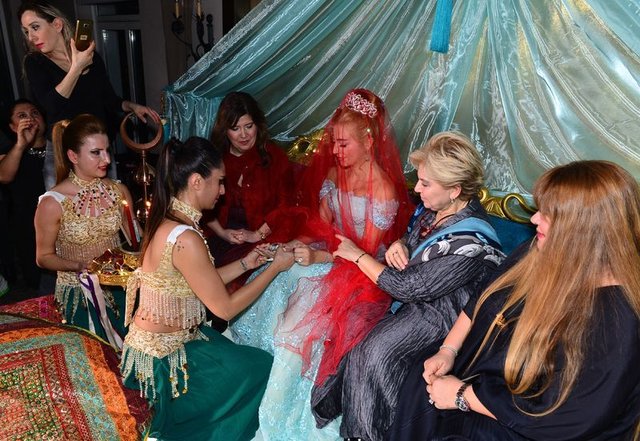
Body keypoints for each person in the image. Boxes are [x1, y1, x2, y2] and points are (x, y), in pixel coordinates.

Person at [388, 160, 640, 441]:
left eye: (548, 214)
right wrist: (448, 350)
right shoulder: (537, 249)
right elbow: (481, 299)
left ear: (585, 229)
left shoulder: (617, 321)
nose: (534, 220)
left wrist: (462, 396)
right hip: (484, 382)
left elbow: (564, 418)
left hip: (523, 424)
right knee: (418, 377)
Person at [230, 88, 413, 439]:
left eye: (344, 144)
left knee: (298, 324)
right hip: (330, 258)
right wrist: (294, 245)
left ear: (369, 142)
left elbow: (364, 254)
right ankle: (247, 379)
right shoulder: (332, 175)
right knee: (279, 273)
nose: (335, 151)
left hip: (361, 273)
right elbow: (323, 230)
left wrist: (318, 256)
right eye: (334, 143)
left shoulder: (383, 190)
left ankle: (283, 415)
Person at [311, 131, 506, 441]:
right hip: (414, 299)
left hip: (442, 316)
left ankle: (369, 433)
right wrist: (399, 244)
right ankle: (346, 411)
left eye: (425, 184)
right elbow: (413, 239)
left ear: (455, 190)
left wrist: (358, 255)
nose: (416, 189)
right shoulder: (435, 208)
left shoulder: (471, 242)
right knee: (352, 319)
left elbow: (408, 288)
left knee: (372, 352)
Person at [120, 136, 294, 440]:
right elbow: (224, 308)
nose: (223, 191)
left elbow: (200, 280)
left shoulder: (169, 219)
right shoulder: (185, 238)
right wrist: (275, 268)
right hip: (163, 363)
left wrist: (247, 263)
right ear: (197, 181)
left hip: (163, 346)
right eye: (220, 181)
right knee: (261, 367)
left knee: (237, 354)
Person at [18, 1, 159, 169]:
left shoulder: (91, 57)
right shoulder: (35, 63)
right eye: (26, 31)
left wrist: (132, 106)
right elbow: (51, 105)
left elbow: (109, 100)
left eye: (35, 27)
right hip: (64, 152)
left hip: (98, 148)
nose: (31, 37)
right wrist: (77, 68)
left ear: (57, 24)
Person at [34, 114, 132, 343]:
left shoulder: (119, 191)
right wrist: (78, 266)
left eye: (107, 150)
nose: (106, 159)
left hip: (120, 290)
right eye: (96, 152)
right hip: (79, 295)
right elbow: (43, 257)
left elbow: (136, 242)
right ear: (73, 156)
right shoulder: (52, 203)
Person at [203, 91, 294, 268]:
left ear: (258, 125)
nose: (243, 135)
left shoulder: (275, 157)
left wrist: (257, 235)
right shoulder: (215, 159)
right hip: (221, 238)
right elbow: (201, 204)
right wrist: (222, 233)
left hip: (265, 238)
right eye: (235, 128)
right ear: (225, 130)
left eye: (249, 126)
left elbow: (286, 206)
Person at [0, 99, 51, 290]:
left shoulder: (60, 147)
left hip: (63, 224)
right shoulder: (11, 153)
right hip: (30, 231)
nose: (30, 118)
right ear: (13, 127)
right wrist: (21, 145)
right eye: (22, 116)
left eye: (34, 113)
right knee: (40, 286)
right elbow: (4, 176)